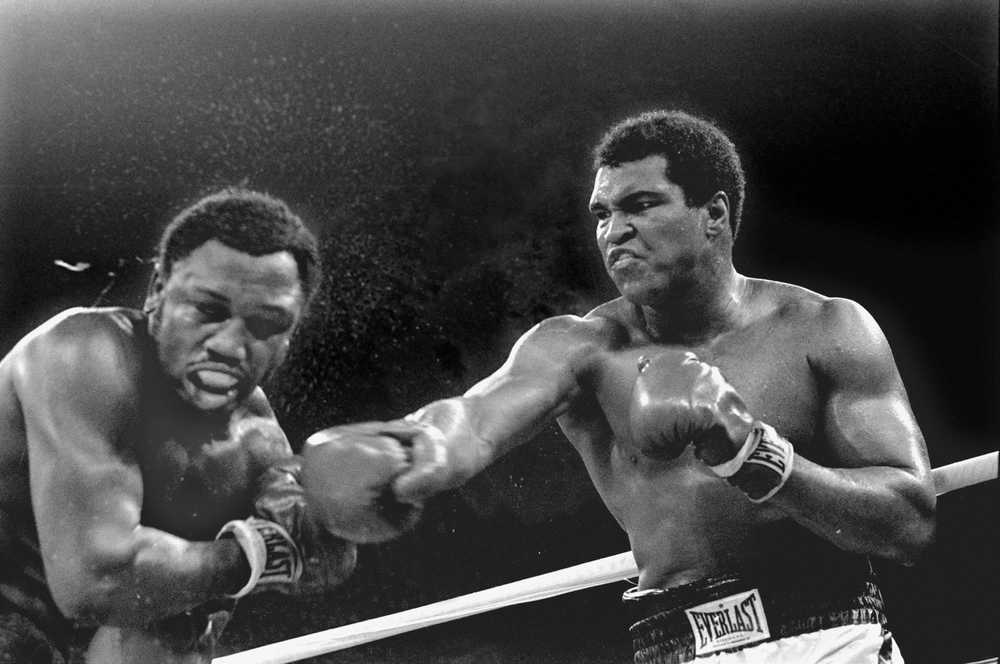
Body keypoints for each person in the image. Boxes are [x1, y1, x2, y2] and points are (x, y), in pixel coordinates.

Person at [303, 111, 937, 663]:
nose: (613, 231)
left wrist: (757, 455)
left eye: (640, 205)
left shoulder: (825, 328)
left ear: (714, 214)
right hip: (672, 646)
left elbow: (908, 522)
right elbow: (474, 418)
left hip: (832, 638)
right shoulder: (581, 348)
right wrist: (416, 449)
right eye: (602, 214)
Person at [0, 188, 356, 664]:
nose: (231, 345)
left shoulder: (257, 439)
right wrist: (260, 554)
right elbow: (96, 581)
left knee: (174, 631)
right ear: (157, 293)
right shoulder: (83, 354)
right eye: (208, 310)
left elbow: (325, 559)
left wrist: (335, 521)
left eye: (267, 324)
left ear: (290, 338)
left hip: (69, 645)